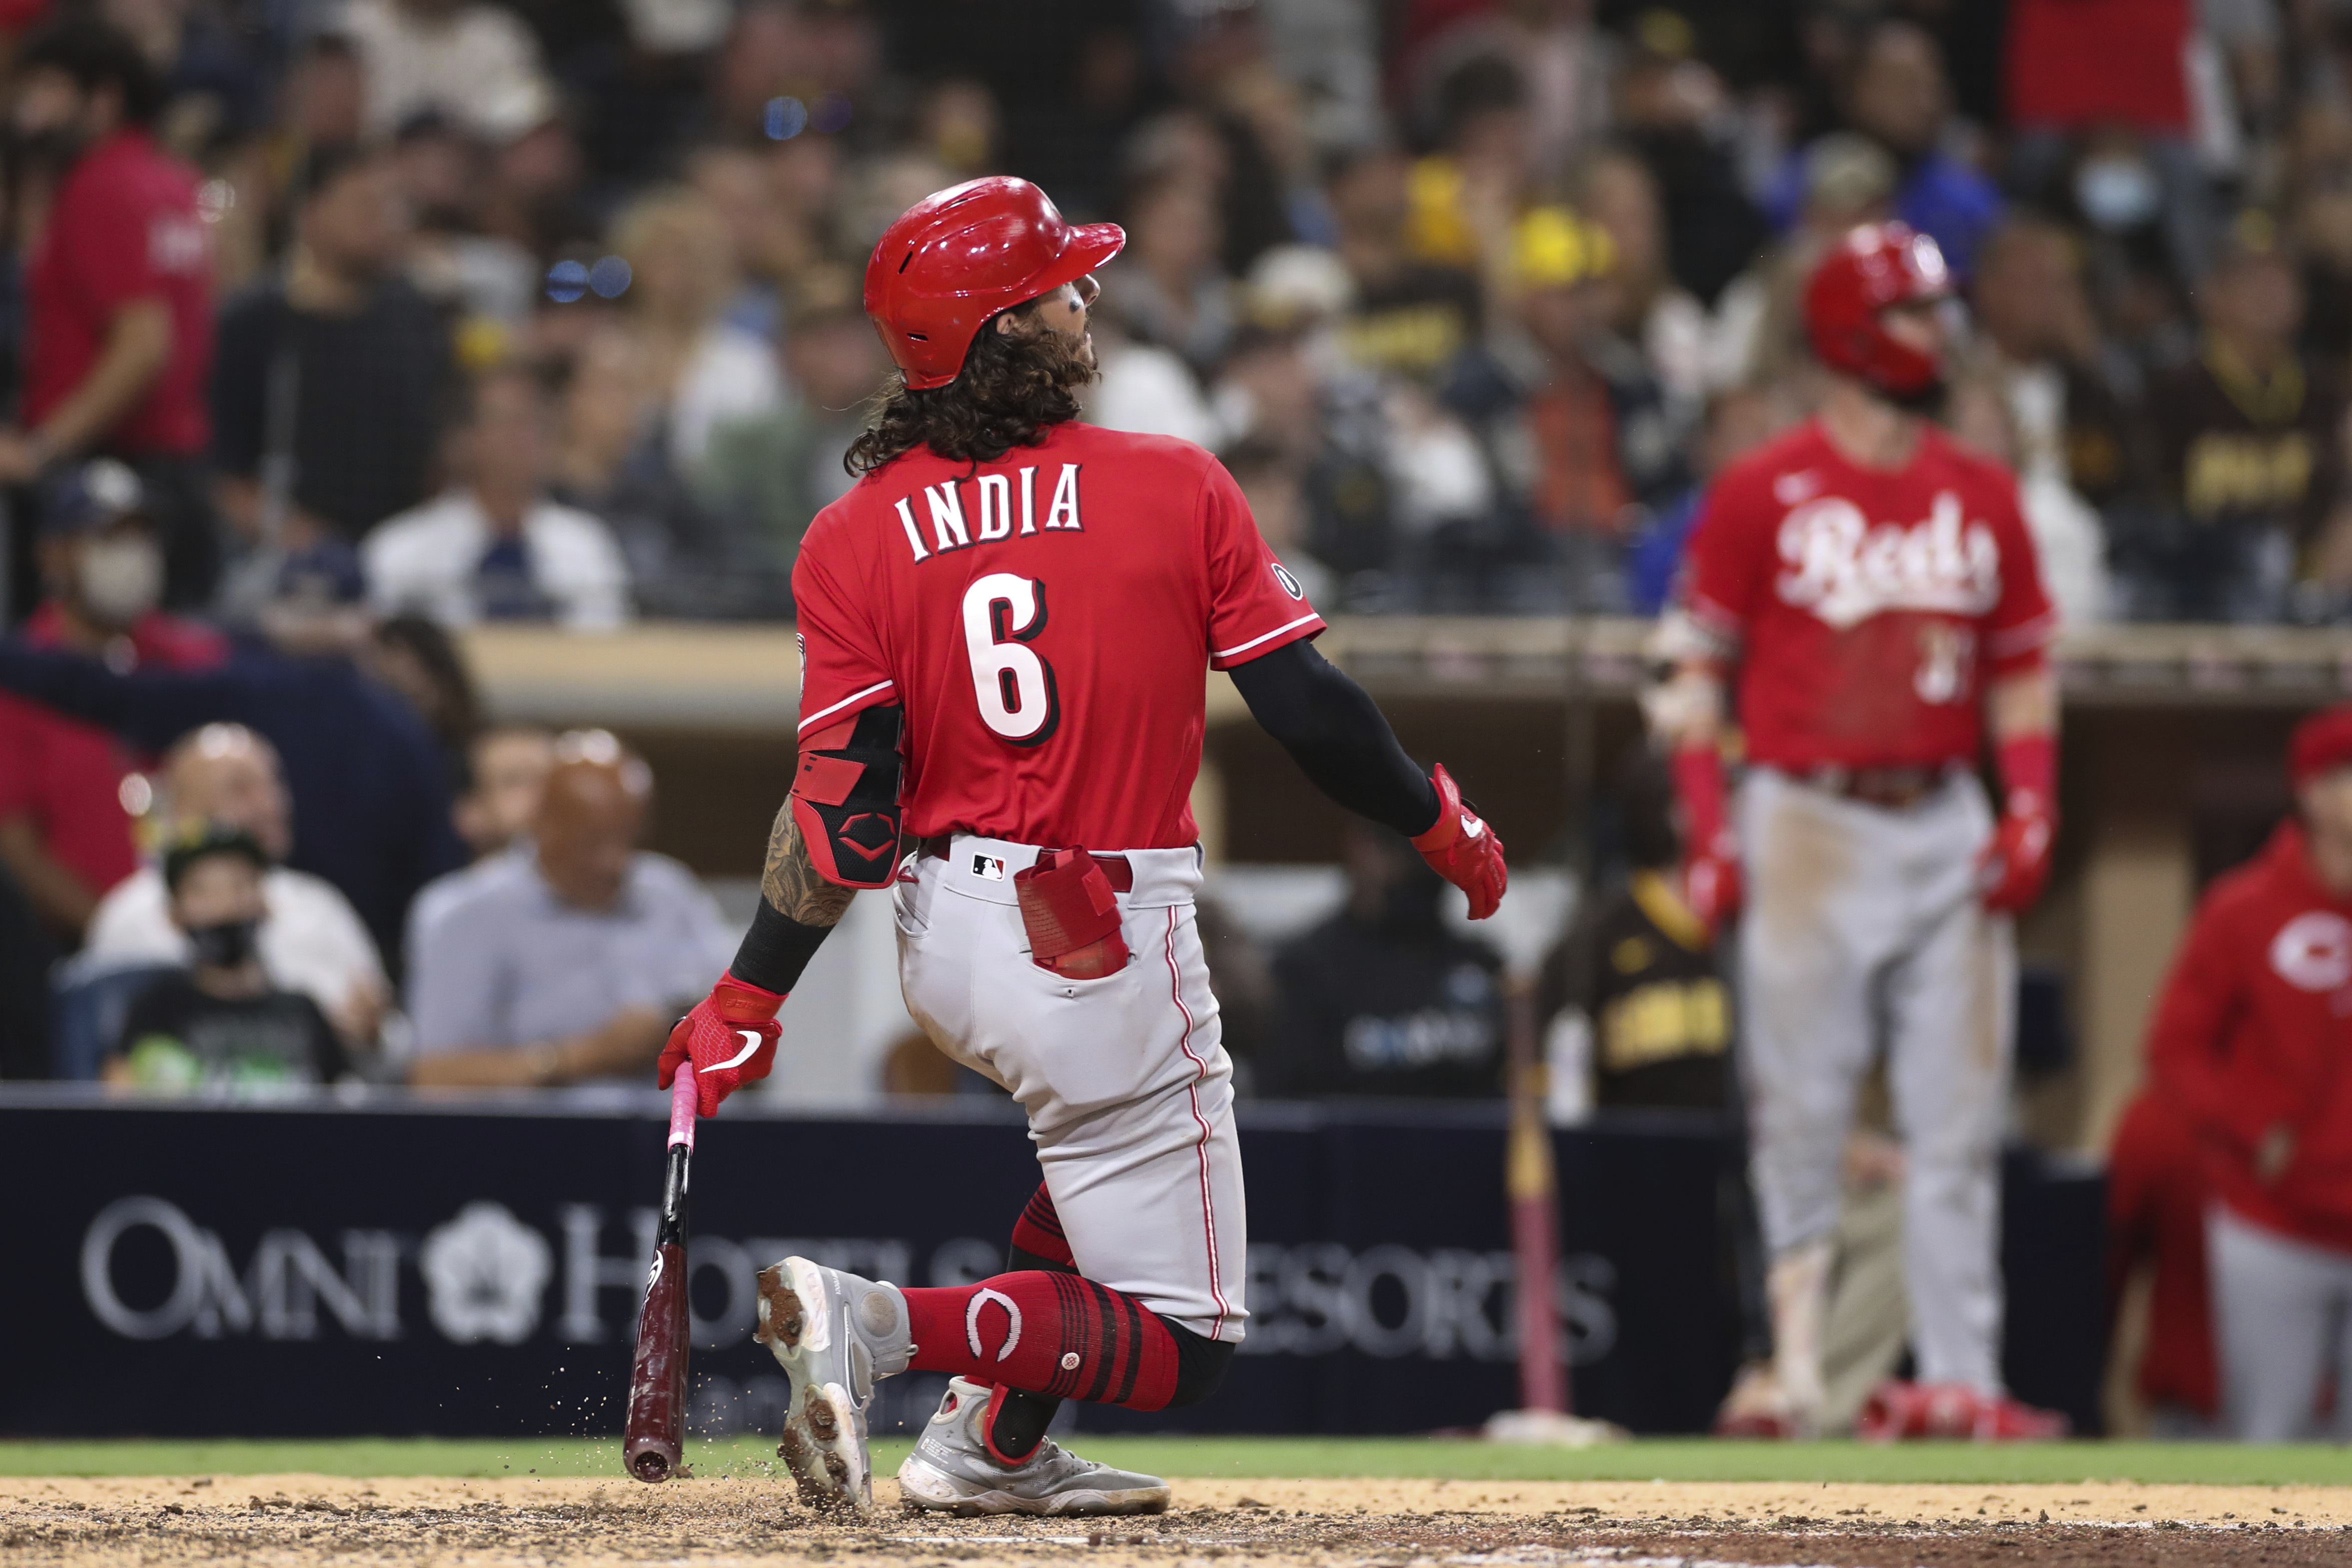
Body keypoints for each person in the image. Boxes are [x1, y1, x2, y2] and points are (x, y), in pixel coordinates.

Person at [656, 177, 1507, 1515]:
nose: (1084, 293)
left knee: (1090, 1165)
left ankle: (988, 1445)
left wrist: (747, 990)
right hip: (1096, 932)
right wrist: (1437, 820)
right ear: (998, 325)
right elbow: (1307, 710)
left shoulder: (852, 530)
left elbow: (843, 806)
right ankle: (875, 1320)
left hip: (942, 943)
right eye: (1055, 283)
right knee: (1189, 1339)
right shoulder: (1168, 479)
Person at [1657, 223, 2065, 1441]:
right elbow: (1690, 669)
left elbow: (2022, 666)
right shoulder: (1759, 486)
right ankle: (1788, 1371)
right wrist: (1706, 825)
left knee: (1956, 1117)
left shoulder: (1979, 488)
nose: (1932, 335)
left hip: (1938, 807)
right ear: (1845, 330)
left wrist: (2030, 796)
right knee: (1799, 1111)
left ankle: (1959, 1378)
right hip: (1805, 814)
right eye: (1906, 315)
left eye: (1931, 314)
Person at [2140, 705, 2352, 1439]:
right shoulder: (2243, 909)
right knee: (2271, 1440)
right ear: (2313, 792)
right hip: (2274, 1220)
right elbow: (2173, 1047)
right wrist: (2250, 1125)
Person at [0, 19, 217, 605]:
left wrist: (42, 448)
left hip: (105, 478)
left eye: (47, 89)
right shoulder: (170, 181)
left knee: (68, 681)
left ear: (103, 100)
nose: (29, 109)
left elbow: (145, 342)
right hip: (177, 467)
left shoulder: (100, 186)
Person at [406, 732, 732, 1087]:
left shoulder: (671, 896)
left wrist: (690, 1035)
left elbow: (747, 1031)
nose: (616, 861)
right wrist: (586, 1055)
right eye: (593, 842)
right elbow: (435, 1077)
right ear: (543, 825)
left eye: (630, 839)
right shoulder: (467, 916)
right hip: (538, 1136)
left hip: (680, 1130)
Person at [0, 461, 222, 943]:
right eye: (107, 537)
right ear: (53, 554)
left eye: (141, 536)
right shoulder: (20, 680)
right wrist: (121, 935)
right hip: (70, 949)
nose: (131, 555)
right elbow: (15, 848)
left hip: (213, 942)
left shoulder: (194, 661)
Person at [210, 144, 452, 577]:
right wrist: (299, 539)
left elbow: (437, 452)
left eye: (391, 205)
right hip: (287, 564)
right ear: (309, 213)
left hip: (404, 559)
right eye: (364, 205)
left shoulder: (413, 315)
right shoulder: (254, 323)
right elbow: (222, 476)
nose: (383, 221)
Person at [85, 724, 389, 1044]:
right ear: (181, 810)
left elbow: (393, 1044)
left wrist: (372, 1035)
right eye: (240, 790)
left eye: (274, 785)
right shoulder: (132, 916)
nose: (270, 806)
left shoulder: (320, 905)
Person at [2142, 218, 2352, 622]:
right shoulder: (2173, 392)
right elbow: (2150, 506)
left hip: (2314, 593)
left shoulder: (2325, 392)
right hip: (2198, 595)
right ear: (2210, 294)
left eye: (2281, 281)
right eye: (2251, 280)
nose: (2269, 294)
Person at [363, 366, 633, 629]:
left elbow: (608, 653)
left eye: (538, 422)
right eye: (511, 422)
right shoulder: (402, 552)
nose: (528, 438)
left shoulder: (586, 546)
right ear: (463, 440)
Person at [1262, 822, 1504, 1098]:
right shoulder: (1306, 970)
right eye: (1411, 853)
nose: (1421, 871)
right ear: (1362, 848)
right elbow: (1288, 1106)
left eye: (1441, 856)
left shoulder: (1481, 964)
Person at [109, 825, 349, 1091]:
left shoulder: (303, 1011)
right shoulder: (156, 1011)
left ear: (266, 902)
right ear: (173, 915)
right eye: (204, 892)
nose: (225, 906)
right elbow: (120, 1100)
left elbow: (343, 1104)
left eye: (240, 886)